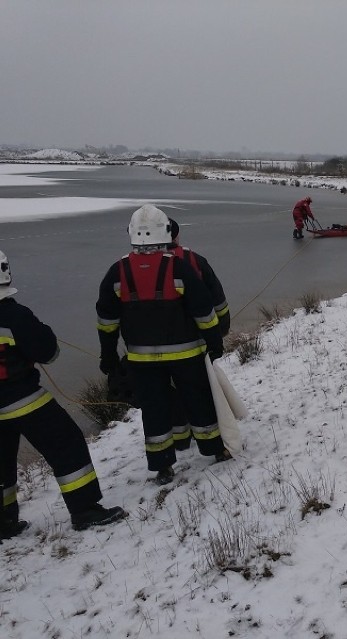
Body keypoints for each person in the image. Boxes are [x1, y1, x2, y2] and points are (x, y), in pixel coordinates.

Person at [96, 205, 230, 486]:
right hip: (187, 355)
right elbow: (203, 310)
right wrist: (215, 342)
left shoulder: (117, 271)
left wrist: (108, 355)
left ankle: (162, 467)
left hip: (142, 361)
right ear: (166, 232)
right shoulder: (178, 266)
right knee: (198, 401)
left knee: (155, 410)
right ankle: (215, 450)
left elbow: (107, 320)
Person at [0, 250, 125, 537]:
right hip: (23, 400)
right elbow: (49, 352)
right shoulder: (14, 315)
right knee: (67, 445)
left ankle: (3, 523)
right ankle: (85, 510)